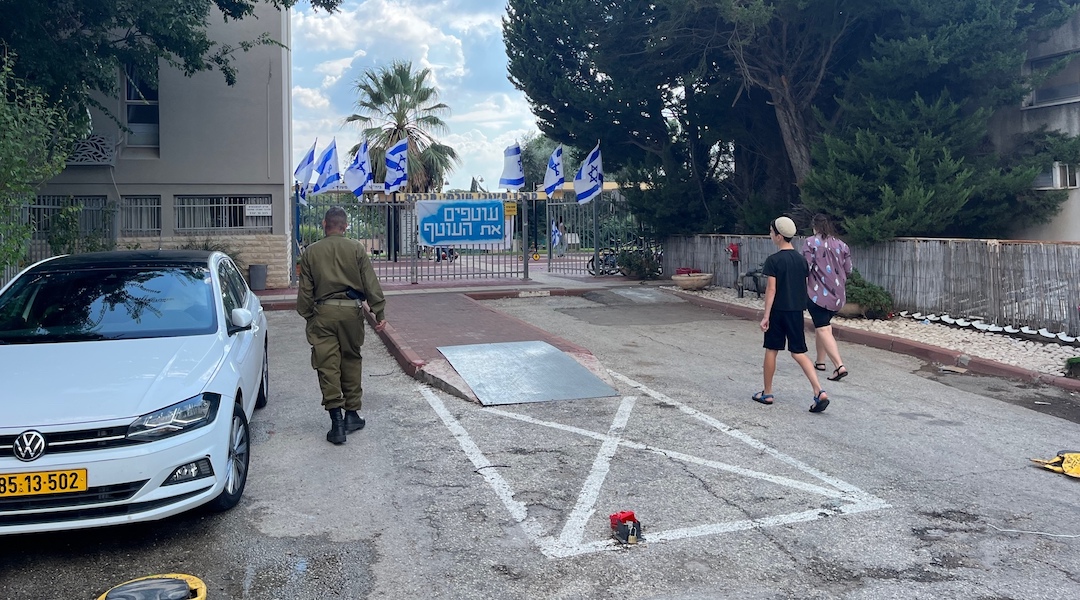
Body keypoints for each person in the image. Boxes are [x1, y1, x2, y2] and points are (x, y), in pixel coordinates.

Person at [297, 206, 387, 444]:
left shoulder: (311, 253)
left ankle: (336, 422)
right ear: (345, 226)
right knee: (351, 360)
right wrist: (379, 312)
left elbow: (305, 292)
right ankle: (352, 415)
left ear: (324, 224)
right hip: (351, 312)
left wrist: (309, 316)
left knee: (327, 365)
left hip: (323, 312)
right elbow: (370, 282)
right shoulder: (356, 248)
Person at [754, 216, 830, 413]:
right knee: (799, 352)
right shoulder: (801, 260)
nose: (770, 235)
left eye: (771, 232)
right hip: (796, 311)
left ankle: (767, 393)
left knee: (771, 349)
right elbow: (803, 286)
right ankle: (818, 390)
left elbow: (771, 290)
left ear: (779, 236)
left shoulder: (773, 261)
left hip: (778, 312)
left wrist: (766, 315)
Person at [802, 213, 853, 383]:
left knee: (823, 328)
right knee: (823, 326)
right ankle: (820, 361)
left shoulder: (810, 243)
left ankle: (839, 366)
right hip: (837, 295)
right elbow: (848, 269)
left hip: (817, 293)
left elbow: (806, 268)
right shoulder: (842, 245)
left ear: (814, 226)